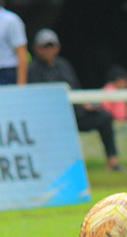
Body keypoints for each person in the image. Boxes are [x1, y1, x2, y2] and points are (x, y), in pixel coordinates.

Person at [26, 29, 121, 171]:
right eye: (43, 46)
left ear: (57, 47)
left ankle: (112, 163)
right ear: (36, 49)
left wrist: (86, 105)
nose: (48, 50)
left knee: (104, 117)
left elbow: (76, 89)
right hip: (49, 118)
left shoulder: (64, 65)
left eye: (51, 46)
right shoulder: (32, 69)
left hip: (74, 113)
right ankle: (55, 168)